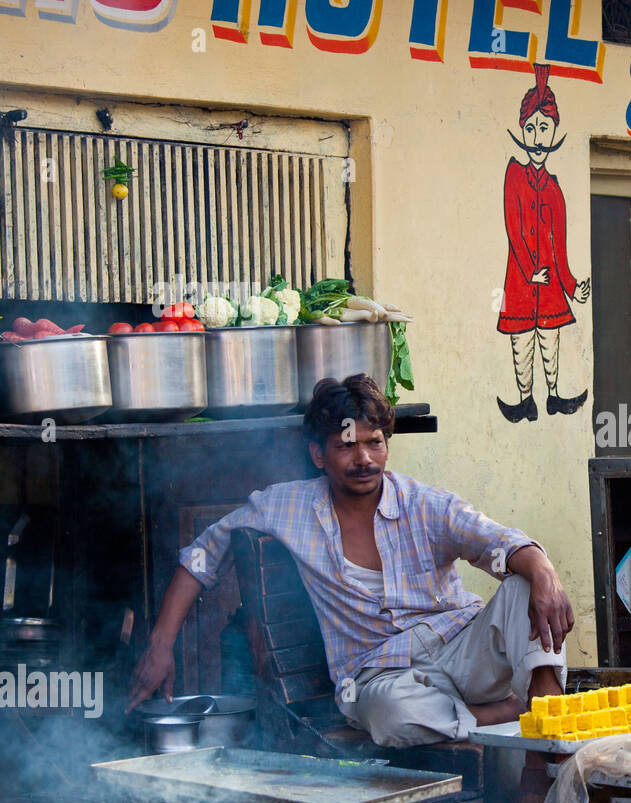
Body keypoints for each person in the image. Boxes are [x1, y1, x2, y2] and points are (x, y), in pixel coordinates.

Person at [126, 375, 574, 749]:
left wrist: (544, 573)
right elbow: (203, 554)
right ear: (318, 455)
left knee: (523, 587)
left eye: (374, 443)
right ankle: (506, 712)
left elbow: (501, 541)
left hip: (461, 650)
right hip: (381, 674)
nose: (364, 459)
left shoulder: (426, 504)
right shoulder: (287, 508)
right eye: (346, 446)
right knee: (388, 714)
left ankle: (544, 761)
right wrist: (161, 644)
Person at [496, 64, 591, 423]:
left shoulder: (554, 188)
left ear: (554, 133)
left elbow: (560, 247)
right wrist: (529, 272)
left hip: (549, 283)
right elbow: (513, 229)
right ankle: (525, 400)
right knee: (521, 343)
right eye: (532, 128)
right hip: (522, 281)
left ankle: (552, 396)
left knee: (550, 341)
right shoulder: (513, 175)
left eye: (544, 128)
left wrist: (570, 286)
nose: (538, 137)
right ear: (522, 130)